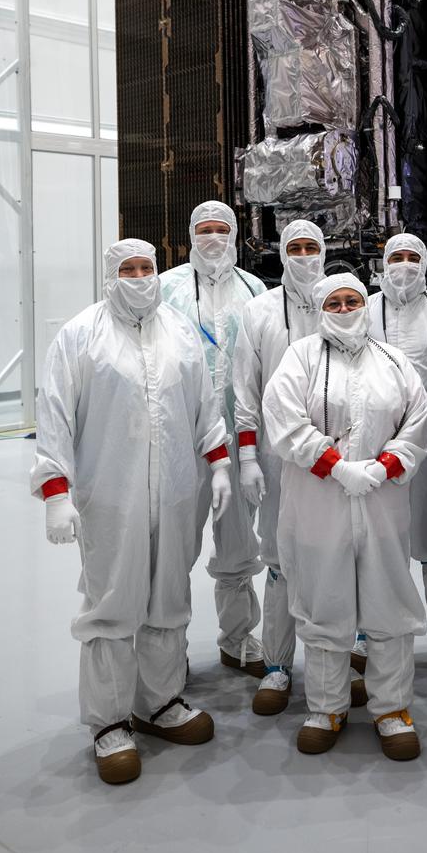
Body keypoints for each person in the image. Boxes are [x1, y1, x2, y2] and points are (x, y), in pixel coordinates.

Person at [31, 240, 231, 785]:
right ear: (109, 275)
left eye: (147, 268)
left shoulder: (180, 330)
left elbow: (204, 405)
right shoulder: (80, 335)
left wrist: (217, 464)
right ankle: (109, 722)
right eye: (128, 269)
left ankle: (160, 702)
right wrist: (55, 491)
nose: (140, 277)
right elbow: (54, 416)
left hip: (175, 490)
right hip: (111, 495)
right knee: (114, 603)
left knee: (168, 596)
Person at [262, 274, 427, 761]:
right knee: (323, 601)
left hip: (382, 502)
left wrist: (385, 464)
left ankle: (392, 709)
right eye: (333, 302)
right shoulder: (300, 358)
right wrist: (335, 466)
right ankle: (326, 707)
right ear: (320, 309)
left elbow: (417, 421)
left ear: (365, 304)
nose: (343, 307)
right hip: (319, 504)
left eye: (352, 299)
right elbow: (284, 418)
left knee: (389, 604)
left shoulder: (394, 361)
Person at [351, 233, 427, 685]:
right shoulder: (365, 310)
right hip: (376, 452)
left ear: (425, 262)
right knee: (375, 542)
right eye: (395, 257)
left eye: (412, 257)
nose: (403, 265)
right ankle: (368, 631)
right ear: (382, 263)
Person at [160, 201, 267, 679]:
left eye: (221, 229)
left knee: (239, 541)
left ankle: (238, 638)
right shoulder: (166, 288)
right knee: (175, 545)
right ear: (190, 234)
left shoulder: (254, 289)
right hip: (183, 438)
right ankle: (168, 648)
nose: (212, 238)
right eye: (203, 229)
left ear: (236, 233)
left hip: (242, 436)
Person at [232, 220, 330, 716]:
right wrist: (248, 456)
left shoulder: (344, 299)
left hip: (335, 459)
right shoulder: (259, 310)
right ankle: (276, 665)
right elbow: (245, 388)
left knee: (334, 555)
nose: (305, 255)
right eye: (295, 247)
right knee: (278, 560)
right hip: (275, 457)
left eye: (313, 247)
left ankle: (336, 659)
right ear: (281, 253)